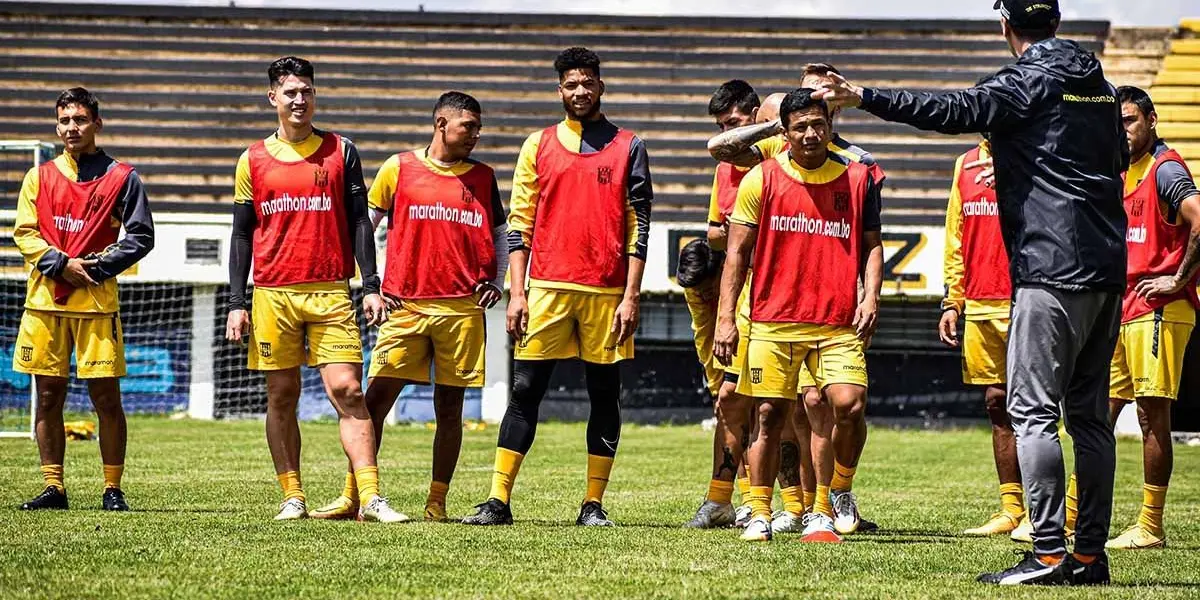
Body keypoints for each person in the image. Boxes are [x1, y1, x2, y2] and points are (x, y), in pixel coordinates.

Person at [812, 0, 1127, 585]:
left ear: (1004, 24)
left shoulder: (1026, 78)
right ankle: (1089, 556)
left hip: (1049, 268)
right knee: (1088, 419)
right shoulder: (1101, 87)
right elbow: (1113, 162)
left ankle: (1050, 553)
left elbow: (955, 108)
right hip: (1107, 269)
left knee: (1031, 411)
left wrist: (865, 97)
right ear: (1056, 22)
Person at [463, 47, 653, 527]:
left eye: (588, 82)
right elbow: (519, 224)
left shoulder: (629, 145)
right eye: (571, 84)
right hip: (545, 288)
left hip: (607, 293)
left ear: (600, 86)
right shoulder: (538, 144)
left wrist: (631, 296)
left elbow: (640, 227)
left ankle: (593, 505)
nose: (580, 91)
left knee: (604, 395)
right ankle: (498, 501)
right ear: (560, 90)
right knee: (525, 390)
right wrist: (518, 292)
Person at [308, 92, 509, 522]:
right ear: (441, 124)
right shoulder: (399, 167)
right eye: (468, 126)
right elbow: (365, 226)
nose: (476, 134)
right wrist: (371, 285)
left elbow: (498, 234)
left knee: (450, 409)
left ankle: (437, 502)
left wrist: (498, 281)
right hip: (406, 306)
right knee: (375, 402)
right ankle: (356, 496)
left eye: (478, 127)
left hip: (461, 310)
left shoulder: (484, 176)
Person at [711, 64, 887, 536]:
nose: (811, 133)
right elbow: (736, 255)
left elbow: (872, 244)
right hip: (773, 317)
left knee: (847, 405)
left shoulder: (858, 177)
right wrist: (726, 319)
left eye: (818, 124)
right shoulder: (761, 178)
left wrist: (871, 296)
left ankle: (834, 497)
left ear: (831, 126)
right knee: (768, 415)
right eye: (800, 126)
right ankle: (762, 512)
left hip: (834, 320)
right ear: (784, 134)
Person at [225, 56, 401, 522]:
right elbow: (242, 235)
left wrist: (371, 285)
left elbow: (361, 222)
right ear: (273, 98)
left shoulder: (342, 151)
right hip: (273, 294)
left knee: (348, 390)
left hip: (330, 291)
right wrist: (236, 302)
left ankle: (371, 497)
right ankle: (292, 496)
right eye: (290, 92)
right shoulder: (252, 158)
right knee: (281, 395)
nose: (299, 99)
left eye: (307, 91)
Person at [13, 87, 154, 512]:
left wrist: (90, 269)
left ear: (97, 123)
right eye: (64, 120)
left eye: (79, 119)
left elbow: (142, 236)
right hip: (44, 304)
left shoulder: (122, 177)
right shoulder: (39, 176)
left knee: (106, 399)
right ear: (57, 126)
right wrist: (60, 264)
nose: (71, 127)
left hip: (95, 304)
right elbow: (25, 232)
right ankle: (54, 488)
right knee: (48, 397)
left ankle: (112, 489)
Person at [1104, 86, 1200, 550]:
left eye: (1129, 120)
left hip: (1159, 308)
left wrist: (1178, 281)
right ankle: (1077, 516)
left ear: (1151, 119)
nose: (1123, 130)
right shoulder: (1123, 170)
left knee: (1151, 414)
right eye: (1117, 123)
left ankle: (1150, 525)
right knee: (1096, 412)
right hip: (1124, 307)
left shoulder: (1166, 169)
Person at [938, 136, 1027, 537]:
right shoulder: (965, 164)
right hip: (980, 302)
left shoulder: (1031, 155)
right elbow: (955, 236)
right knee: (996, 402)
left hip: (1027, 298)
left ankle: (1049, 510)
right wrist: (952, 300)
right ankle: (1011, 508)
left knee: (1036, 407)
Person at [684, 80, 759, 529]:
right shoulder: (724, 169)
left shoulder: (777, 162)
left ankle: (807, 502)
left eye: (733, 124)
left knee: (788, 407)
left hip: (775, 294)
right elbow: (714, 232)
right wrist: (735, 230)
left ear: (755, 117)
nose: (727, 135)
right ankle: (726, 499)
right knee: (730, 400)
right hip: (740, 298)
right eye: (721, 126)